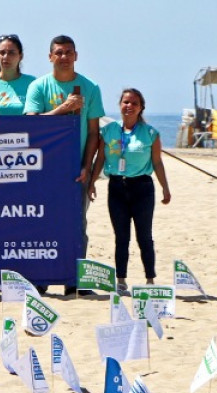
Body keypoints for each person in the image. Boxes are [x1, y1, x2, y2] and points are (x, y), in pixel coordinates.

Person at [88, 88, 171, 289]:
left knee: (144, 236)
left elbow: (157, 163)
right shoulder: (109, 131)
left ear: (141, 107)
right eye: (126, 102)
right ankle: (121, 280)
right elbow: (100, 158)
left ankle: (150, 279)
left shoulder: (150, 133)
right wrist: (92, 183)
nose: (129, 106)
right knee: (121, 237)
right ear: (120, 105)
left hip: (142, 188)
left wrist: (165, 188)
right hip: (117, 187)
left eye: (134, 103)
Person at [23, 35, 105, 209]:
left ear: (76, 56)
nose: (64, 57)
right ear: (50, 57)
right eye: (59, 53)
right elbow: (31, 125)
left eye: (69, 53)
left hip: (77, 168)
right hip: (44, 165)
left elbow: (93, 132)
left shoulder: (90, 87)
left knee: (77, 221)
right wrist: (64, 108)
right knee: (45, 218)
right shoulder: (38, 86)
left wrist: (86, 167)